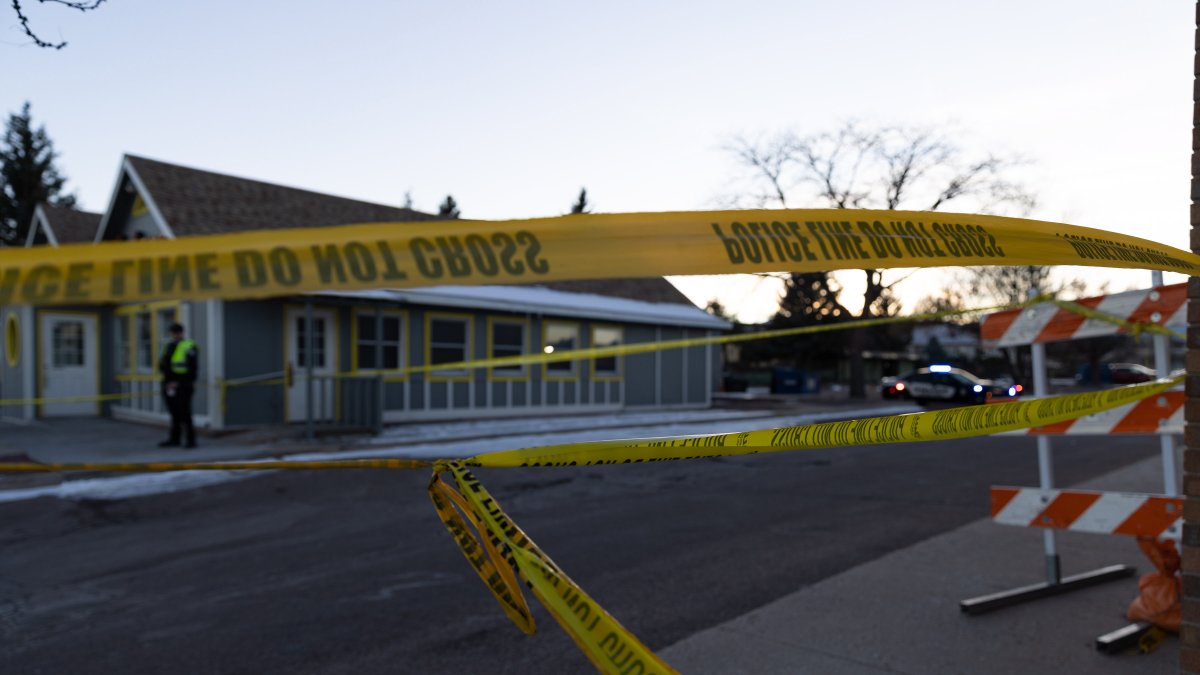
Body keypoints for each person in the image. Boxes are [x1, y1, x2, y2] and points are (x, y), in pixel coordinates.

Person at [158, 322, 199, 448]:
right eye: (173, 333)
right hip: (169, 384)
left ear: (181, 333)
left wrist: (178, 382)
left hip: (183, 385)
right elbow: (163, 365)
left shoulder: (190, 346)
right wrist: (168, 383)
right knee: (174, 414)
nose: (174, 335)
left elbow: (192, 369)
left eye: (176, 332)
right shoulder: (169, 346)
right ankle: (174, 439)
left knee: (185, 413)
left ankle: (191, 441)